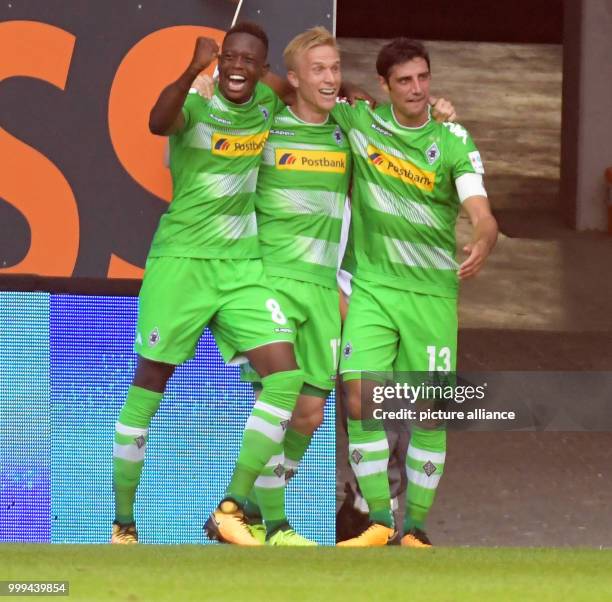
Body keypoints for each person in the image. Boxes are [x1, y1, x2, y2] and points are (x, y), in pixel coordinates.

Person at [111, 22, 306, 547]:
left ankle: (228, 508)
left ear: (262, 68)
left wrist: (349, 93)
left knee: (285, 377)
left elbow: (297, 87)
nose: (239, 67)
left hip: (242, 267)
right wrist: (192, 69)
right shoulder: (194, 105)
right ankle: (123, 525)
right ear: (219, 62)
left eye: (251, 61)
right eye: (231, 58)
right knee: (149, 384)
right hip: (181, 263)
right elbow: (156, 122)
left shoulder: (268, 100)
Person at [332, 38, 498, 547]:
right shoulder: (361, 123)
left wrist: (484, 234)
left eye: (423, 78)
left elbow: (480, 209)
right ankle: (380, 520)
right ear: (384, 86)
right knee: (359, 393)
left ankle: (417, 528)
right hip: (375, 288)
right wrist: (350, 90)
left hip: (431, 294)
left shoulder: (451, 139)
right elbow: (305, 86)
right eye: (404, 80)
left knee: (428, 410)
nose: (417, 89)